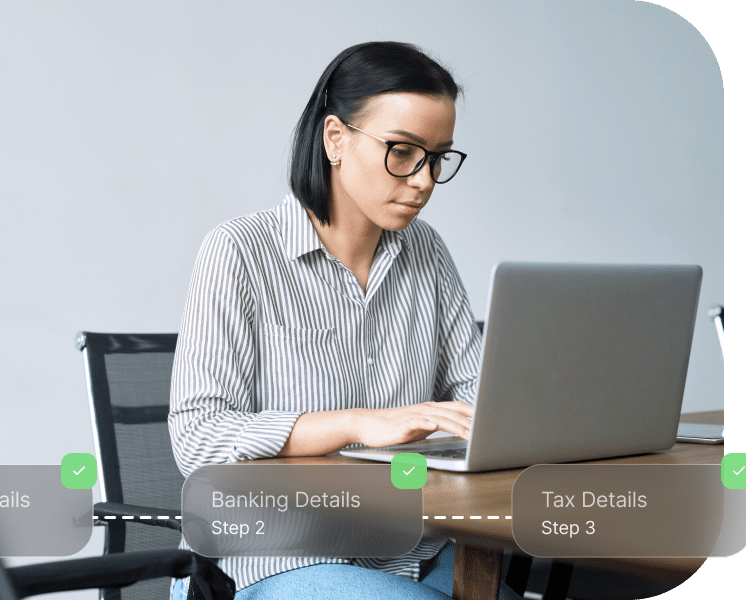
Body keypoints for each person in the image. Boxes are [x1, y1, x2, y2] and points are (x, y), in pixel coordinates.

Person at [169, 41, 514, 600]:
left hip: (417, 547)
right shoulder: (240, 251)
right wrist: (358, 423)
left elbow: (475, 394)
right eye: (403, 151)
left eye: (439, 156)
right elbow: (199, 438)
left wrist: (520, 415)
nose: (424, 179)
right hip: (284, 557)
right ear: (335, 138)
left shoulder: (426, 251)